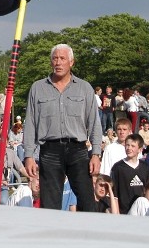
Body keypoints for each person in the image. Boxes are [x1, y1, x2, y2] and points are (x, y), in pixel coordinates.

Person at [23, 44, 101, 211]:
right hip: (49, 151)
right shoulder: (38, 88)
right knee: (50, 205)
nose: (58, 62)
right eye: (55, 58)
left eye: (62, 58)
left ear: (71, 62)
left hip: (78, 150)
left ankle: (89, 235)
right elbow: (30, 123)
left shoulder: (84, 88)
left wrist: (96, 154)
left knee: (88, 202)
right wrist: (28, 155)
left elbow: (94, 122)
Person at [109, 134, 149, 214]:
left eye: (133, 146)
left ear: (139, 149)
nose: (129, 148)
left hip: (142, 211)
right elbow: (114, 194)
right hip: (125, 212)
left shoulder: (145, 167)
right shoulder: (118, 167)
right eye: (127, 145)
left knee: (142, 201)